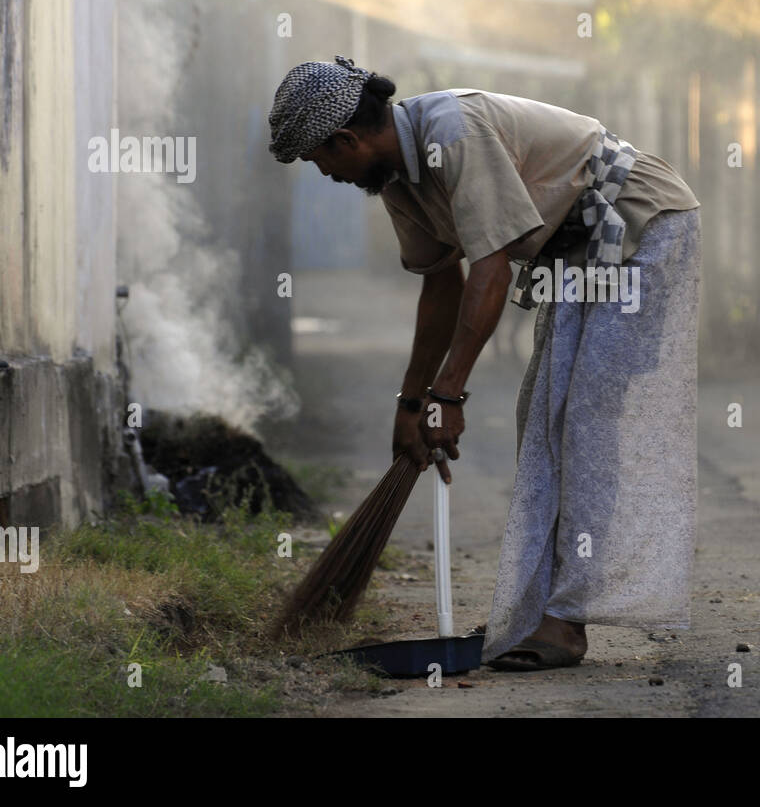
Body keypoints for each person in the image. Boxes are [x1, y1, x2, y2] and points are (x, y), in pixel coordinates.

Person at [267, 57, 701, 670]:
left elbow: (491, 266)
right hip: (574, 244)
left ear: (347, 139)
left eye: (321, 160)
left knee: (584, 422)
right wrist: (412, 403)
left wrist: (451, 395)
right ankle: (538, 613)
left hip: (637, 220)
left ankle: (564, 622)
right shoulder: (395, 179)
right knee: (546, 421)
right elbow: (442, 284)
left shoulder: (453, 132)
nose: (326, 174)